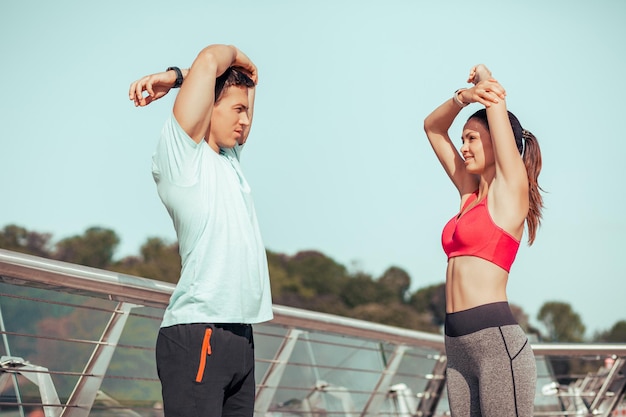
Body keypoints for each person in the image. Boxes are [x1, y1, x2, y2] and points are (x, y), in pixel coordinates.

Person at [128, 44, 273, 417]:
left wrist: (186, 79)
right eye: (236, 110)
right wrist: (182, 77)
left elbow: (251, 78)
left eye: (246, 110)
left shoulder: (230, 159)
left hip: (241, 336)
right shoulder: (182, 159)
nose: (245, 120)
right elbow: (212, 57)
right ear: (208, 106)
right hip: (198, 331)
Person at [423, 64, 543, 417]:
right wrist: (463, 98)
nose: (463, 147)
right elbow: (432, 127)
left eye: (472, 138)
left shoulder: (510, 193)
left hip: (496, 345)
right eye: (462, 139)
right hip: (457, 349)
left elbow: (496, 108)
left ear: (498, 141)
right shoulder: (467, 193)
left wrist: (485, 84)